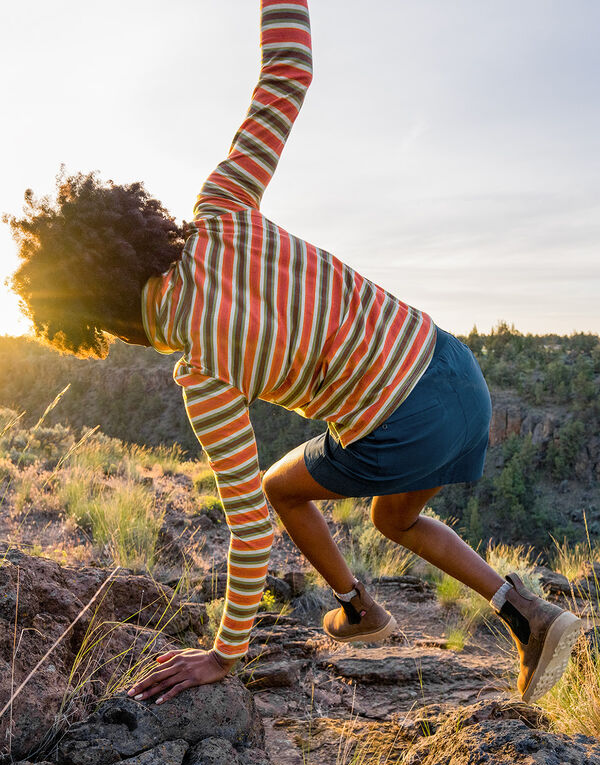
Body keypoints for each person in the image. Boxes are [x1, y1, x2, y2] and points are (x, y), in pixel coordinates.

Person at [8, 0, 582, 707]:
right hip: (455, 368)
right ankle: (529, 616)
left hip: (401, 425)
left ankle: (357, 602)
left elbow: (250, 531)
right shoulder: (222, 207)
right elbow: (288, 71)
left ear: (93, 320)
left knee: (280, 489)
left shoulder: (201, 368)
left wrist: (224, 653)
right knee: (391, 520)